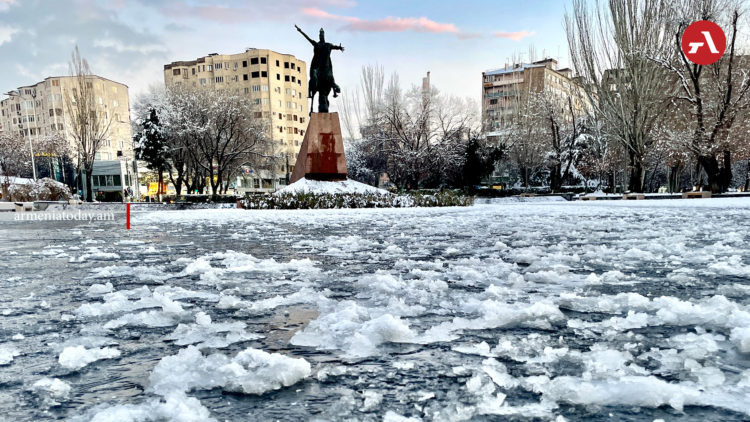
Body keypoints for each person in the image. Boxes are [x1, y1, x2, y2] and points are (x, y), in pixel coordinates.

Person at [295, 25, 344, 113]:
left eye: (322, 35)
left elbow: (335, 47)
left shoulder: (328, 45)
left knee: (330, 76)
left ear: (324, 36)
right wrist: (300, 31)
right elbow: (308, 39)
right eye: (320, 35)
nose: (321, 36)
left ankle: (334, 87)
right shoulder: (317, 44)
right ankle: (310, 92)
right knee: (314, 74)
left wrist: (340, 48)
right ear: (319, 36)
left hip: (327, 64)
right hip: (317, 65)